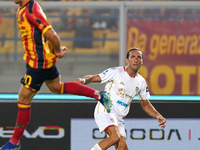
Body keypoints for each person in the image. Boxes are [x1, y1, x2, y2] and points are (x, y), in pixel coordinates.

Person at [0, 0, 111, 150]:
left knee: (23, 99)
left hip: (38, 64)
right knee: (56, 87)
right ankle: (99, 95)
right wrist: (53, 50)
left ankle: (14, 142)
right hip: (41, 59)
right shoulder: (27, 6)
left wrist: (58, 50)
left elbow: (51, 34)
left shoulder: (31, 11)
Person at [76, 48, 166, 150]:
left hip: (118, 117)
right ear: (127, 60)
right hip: (106, 109)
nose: (136, 60)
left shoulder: (141, 82)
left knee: (122, 148)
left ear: (142, 61)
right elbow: (93, 77)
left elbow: (145, 104)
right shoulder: (116, 72)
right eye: (133, 57)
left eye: (139, 57)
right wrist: (83, 80)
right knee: (115, 137)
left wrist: (158, 116)